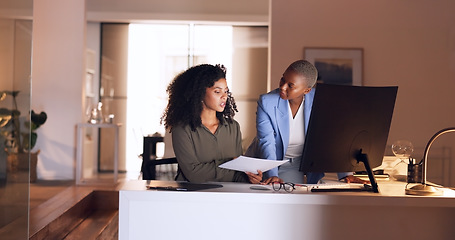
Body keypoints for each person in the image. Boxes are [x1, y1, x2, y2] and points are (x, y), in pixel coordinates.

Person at [245, 59, 368, 185]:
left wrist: (345, 175)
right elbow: (267, 142)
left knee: (294, 198)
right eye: (283, 79)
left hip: (295, 164)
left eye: (290, 85)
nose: (282, 87)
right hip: (265, 162)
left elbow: (334, 137)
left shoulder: (322, 101)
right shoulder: (267, 102)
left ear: (306, 90)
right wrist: (272, 175)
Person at [161, 64, 251, 183]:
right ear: (199, 93)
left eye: (226, 91)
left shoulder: (232, 127)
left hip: (228, 195)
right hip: (193, 195)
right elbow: (194, 175)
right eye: (217, 92)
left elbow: (237, 173)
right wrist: (230, 164)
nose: (224, 96)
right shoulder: (182, 129)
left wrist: (251, 177)